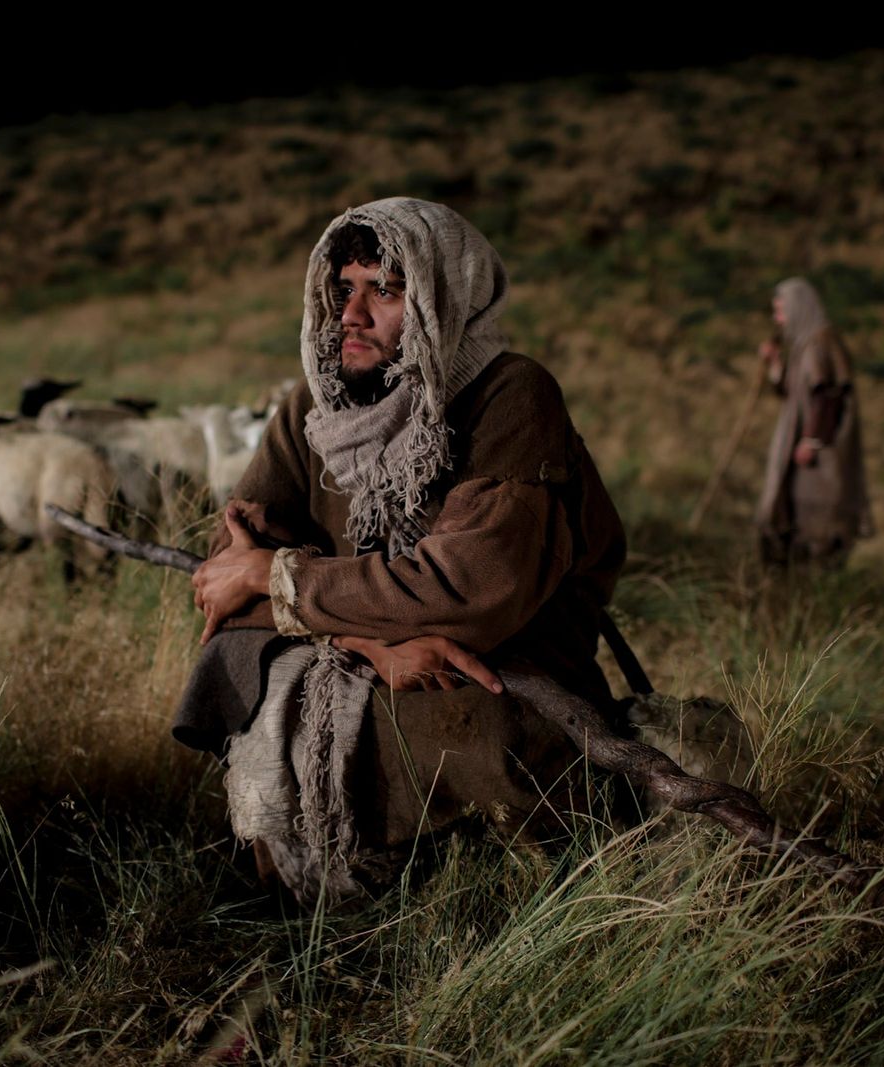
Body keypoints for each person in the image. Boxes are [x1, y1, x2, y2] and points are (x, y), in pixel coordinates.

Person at [172, 198, 629, 904]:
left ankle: (488, 896)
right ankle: (305, 884)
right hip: (370, 648)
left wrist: (279, 578)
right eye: (342, 288)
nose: (349, 315)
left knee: (474, 726)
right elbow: (224, 565)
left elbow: (467, 593)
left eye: (384, 290)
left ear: (445, 299)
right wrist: (367, 642)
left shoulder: (511, 396)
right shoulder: (313, 407)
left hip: (499, 664)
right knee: (230, 660)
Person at [755, 278, 874, 566]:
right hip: (797, 436)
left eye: (781, 311)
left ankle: (818, 568)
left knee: (817, 505)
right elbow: (791, 391)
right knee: (790, 500)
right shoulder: (802, 344)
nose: (777, 319)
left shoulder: (821, 343)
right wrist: (774, 363)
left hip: (819, 445)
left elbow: (827, 395)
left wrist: (812, 440)